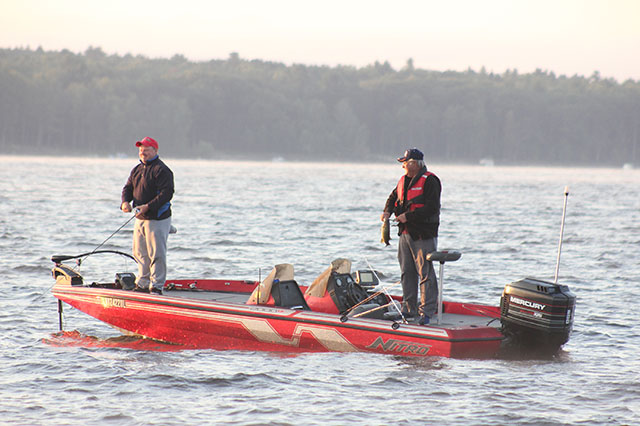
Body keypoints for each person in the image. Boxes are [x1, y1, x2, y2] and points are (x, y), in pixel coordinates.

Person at [381, 148, 441, 325]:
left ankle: (427, 313)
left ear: (415, 163)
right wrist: (386, 212)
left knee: (425, 274)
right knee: (407, 273)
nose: (403, 166)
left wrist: (408, 216)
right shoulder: (403, 181)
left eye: (405, 163)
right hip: (404, 235)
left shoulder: (430, 180)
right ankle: (408, 310)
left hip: (423, 236)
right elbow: (392, 198)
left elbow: (432, 208)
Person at [121, 136, 174, 295]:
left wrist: (148, 206)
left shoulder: (162, 170)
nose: (143, 152)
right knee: (140, 252)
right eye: (141, 149)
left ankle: (157, 285)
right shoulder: (137, 169)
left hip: (158, 218)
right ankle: (143, 283)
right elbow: (128, 188)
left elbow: (167, 194)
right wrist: (125, 202)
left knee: (156, 253)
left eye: (146, 149)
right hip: (140, 218)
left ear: (155, 151)